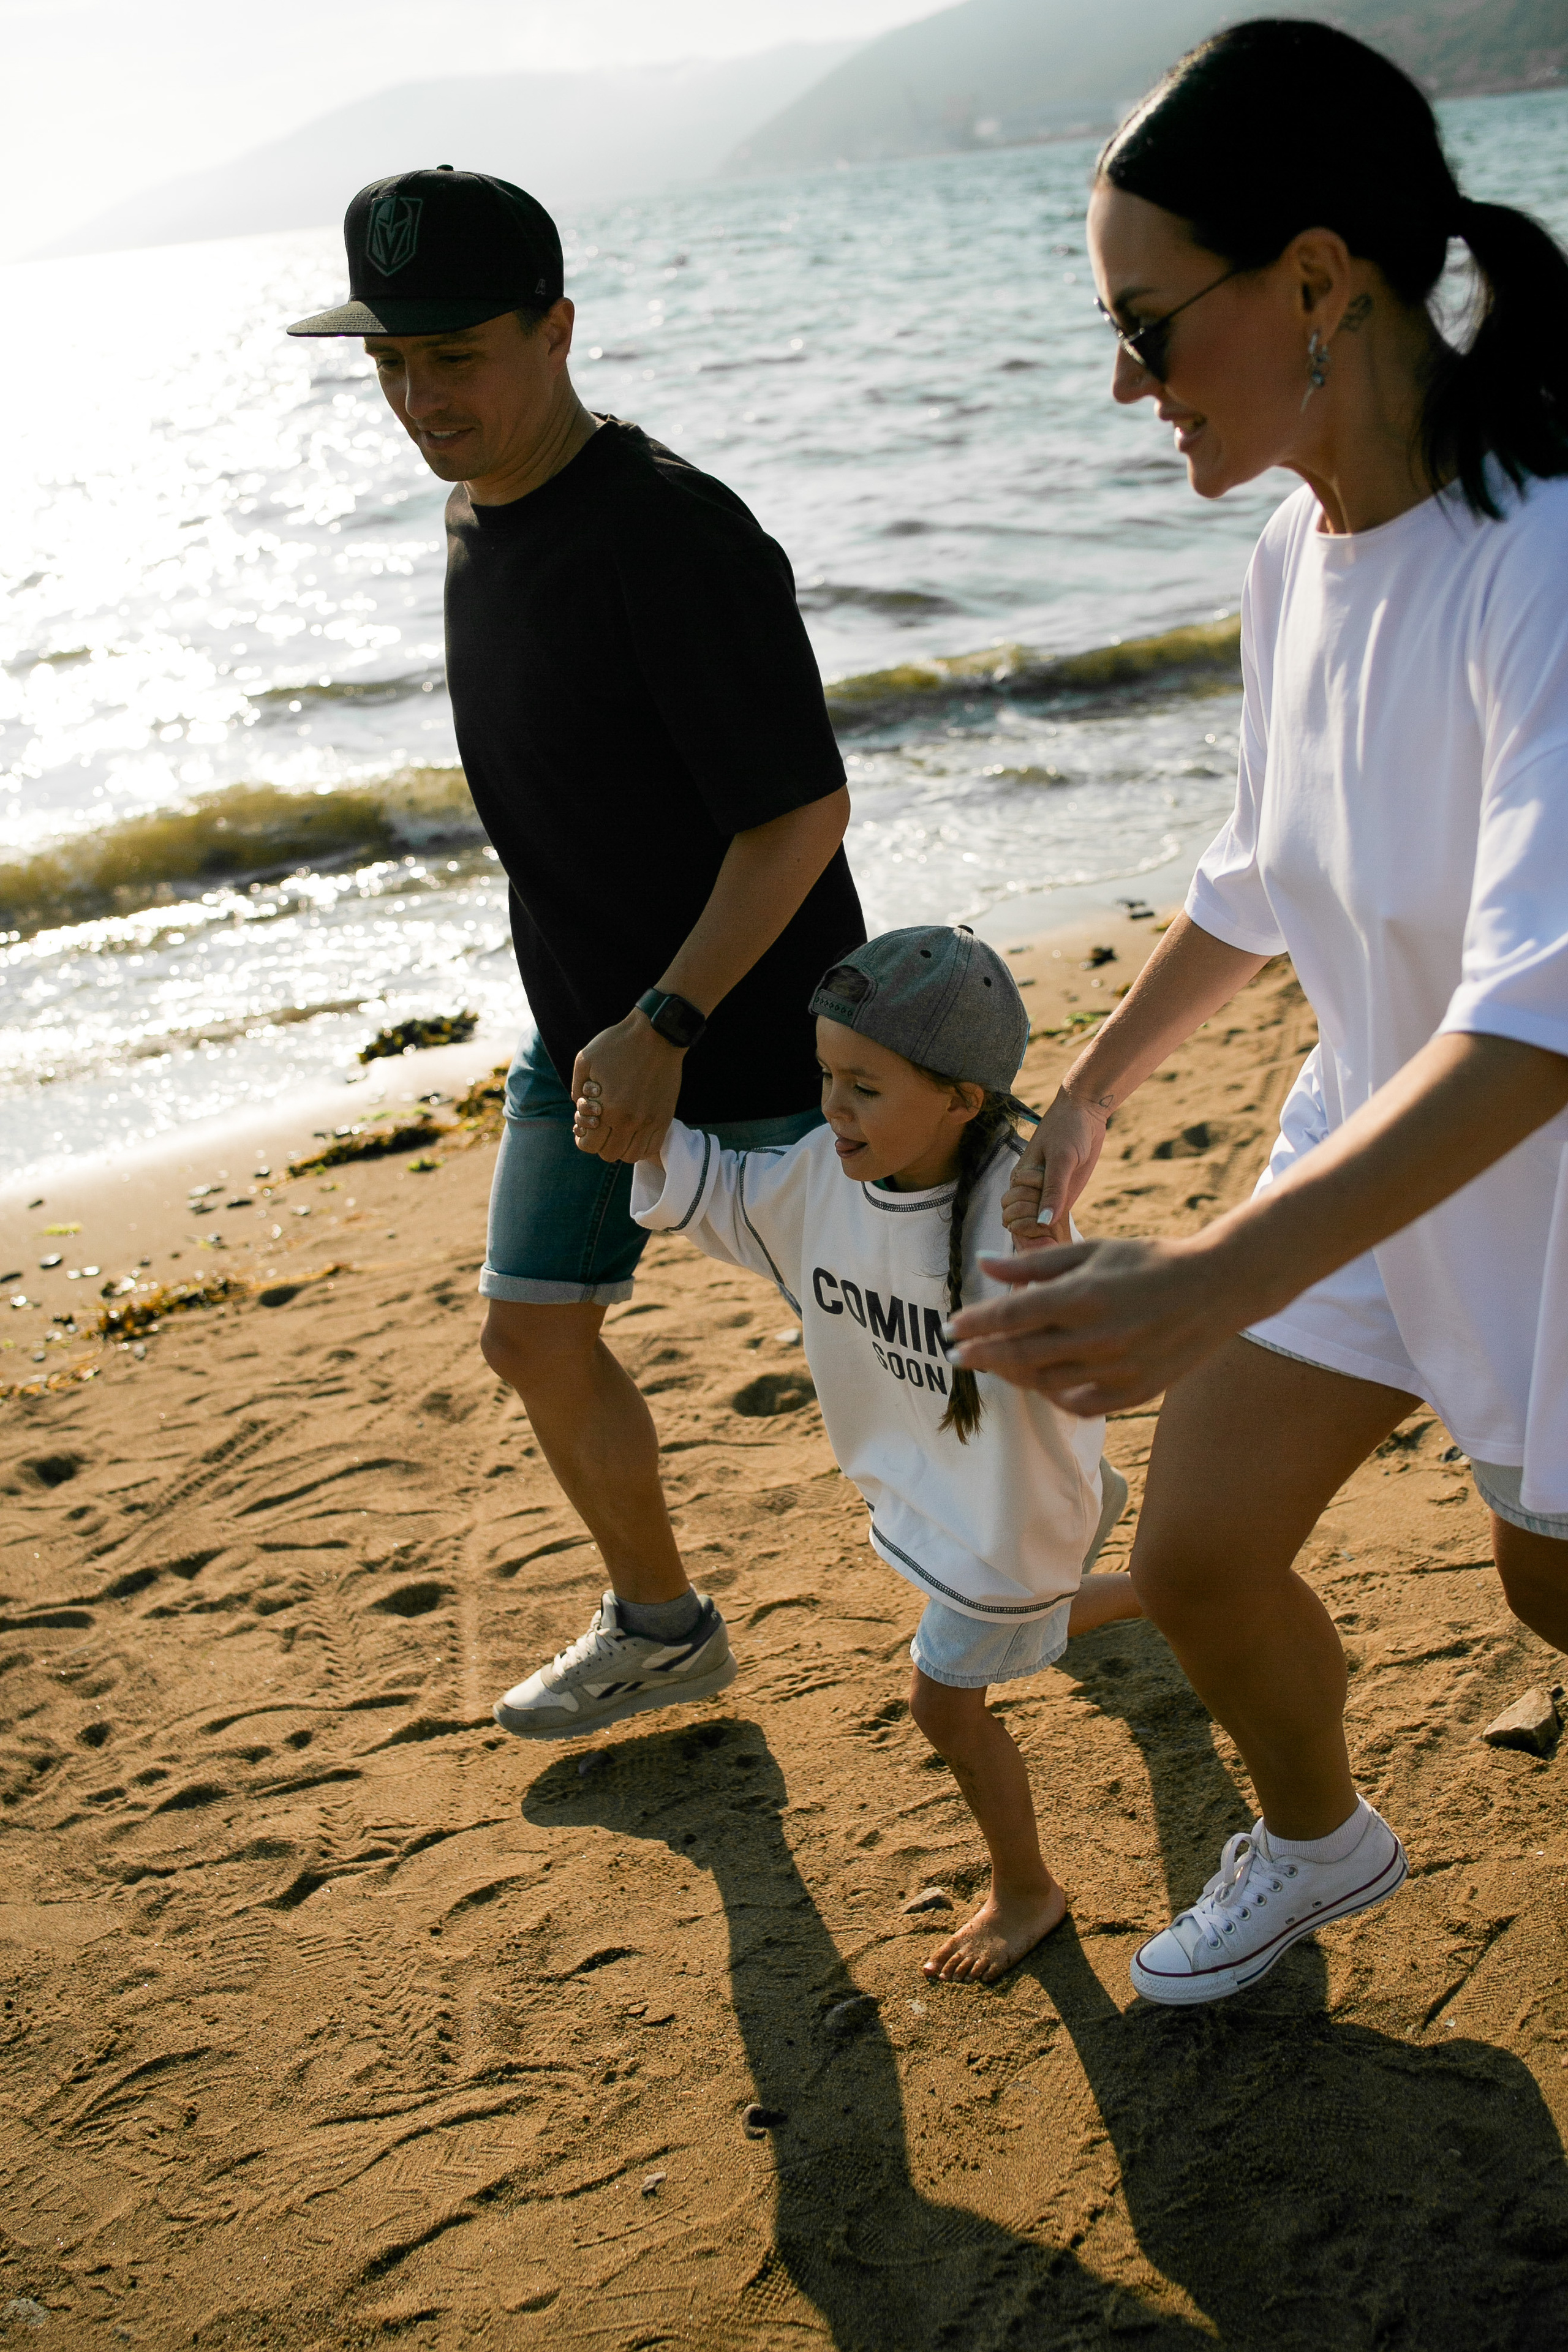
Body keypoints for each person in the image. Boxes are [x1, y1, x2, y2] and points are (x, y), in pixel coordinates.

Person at [946, 19, 1568, 2007]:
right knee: (1205, 1554)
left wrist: (1210, 1272)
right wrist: (1098, 1085)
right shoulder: (1293, 556)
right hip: (1370, 1146)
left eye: (1148, 323)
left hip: (1539, 1194)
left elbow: (1545, 1014)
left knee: (1548, 1593)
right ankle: (1322, 1844)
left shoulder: (1544, 554)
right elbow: (1258, 870)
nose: (1124, 381)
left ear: (1317, 277)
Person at [289, 170, 865, 1735]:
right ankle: (661, 1623)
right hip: (588, 1027)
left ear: (555, 329)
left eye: (453, 358)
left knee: (899, 1354)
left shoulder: (667, 534)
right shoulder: (480, 507)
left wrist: (665, 1023)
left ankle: (1048, 1529)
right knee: (533, 1334)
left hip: (769, 1046)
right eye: (387, 365)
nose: (417, 399)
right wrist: (597, 1016)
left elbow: (800, 813)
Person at [522, 925, 1139, 1983]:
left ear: (964, 1101)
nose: (832, 1109)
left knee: (944, 1706)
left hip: (999, 1513)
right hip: (938, 1494)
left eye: (864, 1087)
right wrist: (640, 1140)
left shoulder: (1016, 1224)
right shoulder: (823, 1175)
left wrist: (1065, 1292)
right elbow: (717, 1185)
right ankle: (1150, 1572)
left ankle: (1028, 1888)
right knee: (1022, 1620)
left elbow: (1109, 1336)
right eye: (826, 1077)